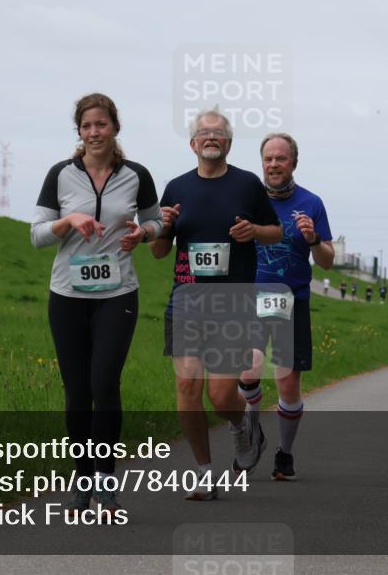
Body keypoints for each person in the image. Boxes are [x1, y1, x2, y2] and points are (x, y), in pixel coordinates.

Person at [31, 93, 163, 518]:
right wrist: (69, 221)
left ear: (115, 128)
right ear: (79, 132)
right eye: (87, 126)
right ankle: (81, 483)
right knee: (77, 392)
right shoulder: (60, 175)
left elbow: (157, 224)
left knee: (105, 383)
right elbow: (36, 234)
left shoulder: (137, 175)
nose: (94, 133)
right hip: (67, 296)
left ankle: (107, 483)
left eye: (101, 124)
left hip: (118, 293)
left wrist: (142, 234)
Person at [150, 109, 282, 500]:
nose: (211, 137)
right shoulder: (175, 188)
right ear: (192, 144)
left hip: (233, 301)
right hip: (186, 297)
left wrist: (254, 231)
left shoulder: (247, 185)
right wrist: (165, 225)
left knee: (221, 396)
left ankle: (243, 427)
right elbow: (159, 250)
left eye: (219, 133)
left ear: (228, 143)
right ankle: (205, 474)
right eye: (203, 133)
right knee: (187, 383)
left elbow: (275, 233)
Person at [241, 132, 334, 481]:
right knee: (247, 370)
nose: (274, 164)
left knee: (288, 381)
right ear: (262, 163)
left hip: (292, 298)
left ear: (294, 162)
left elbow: (326, 261)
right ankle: (253, 428)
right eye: (268, 159)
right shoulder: (248, 200)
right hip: (250, 296)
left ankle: (284, 453)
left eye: (281, 158)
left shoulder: (311, 203)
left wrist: (311, 239)